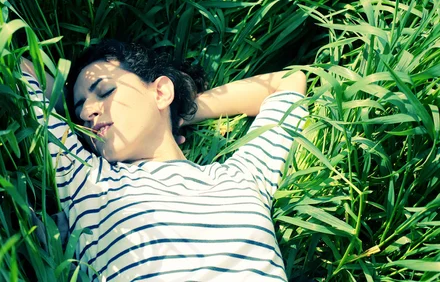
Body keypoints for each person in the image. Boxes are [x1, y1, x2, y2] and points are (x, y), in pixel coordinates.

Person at [21, 40, 308, 281]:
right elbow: (20, 67)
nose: (88, 113)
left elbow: (287, 84)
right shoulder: (86, 179)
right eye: (80, 109)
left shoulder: (242, 177)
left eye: (105, 91)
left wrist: (180, 109)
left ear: (160, 91)